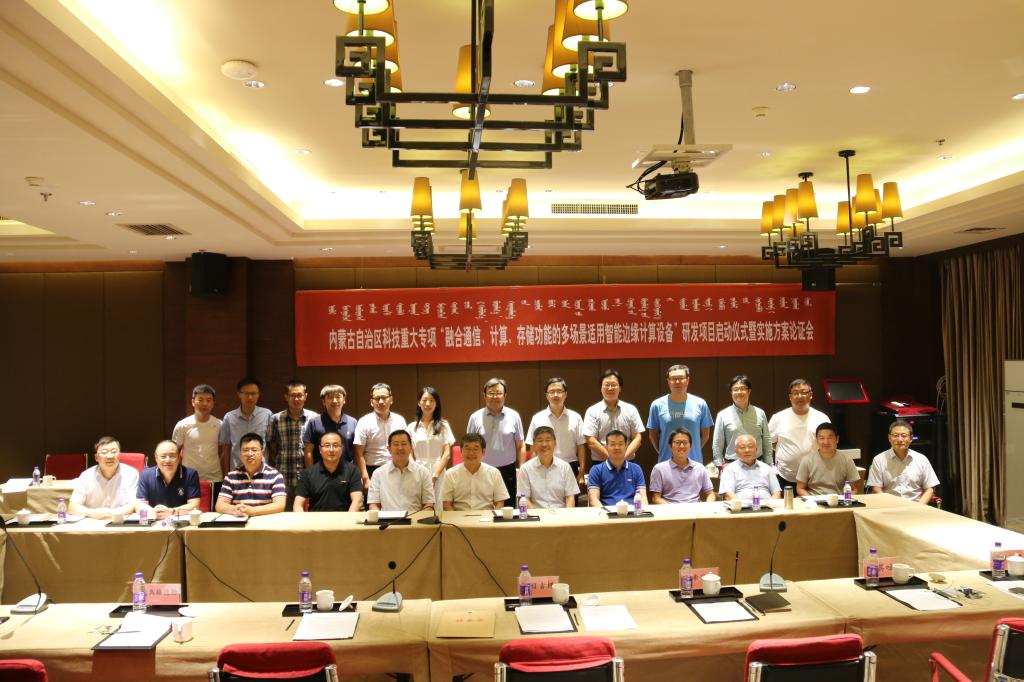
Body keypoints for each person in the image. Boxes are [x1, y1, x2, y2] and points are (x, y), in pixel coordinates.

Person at [465, 378, 524, 500]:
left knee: (508, 506)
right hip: (482, 469)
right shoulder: (475, 417)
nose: (495, 396)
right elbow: (468, 447)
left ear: (505, 395)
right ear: (484, 395)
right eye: (491, 393)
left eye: (498, 393)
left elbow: (520, 445)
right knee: (483, 505)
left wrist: (522, 469)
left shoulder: (514, 416)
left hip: (508, 470)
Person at [769, 378, 830, 490]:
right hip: (785, 476)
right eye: (795, 393)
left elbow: (828, 445)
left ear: (810, 395)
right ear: (790, 397)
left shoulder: (822, 418)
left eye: (803, 392)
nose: (799, 396)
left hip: (814, 476)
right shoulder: (778, 418)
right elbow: (770, 442)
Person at [267, 380, 318, 510]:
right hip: (284, 475)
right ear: (286, 397)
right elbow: (271, 445)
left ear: (305, 396)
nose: (296, 399)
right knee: (285, 512)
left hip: (308, 475)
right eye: (292, 395)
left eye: (299, 395)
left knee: (308, 513)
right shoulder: (276, 418)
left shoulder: (314, 418)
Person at [526, 377, 587, 484]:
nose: (555, 395)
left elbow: (581, 447)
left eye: (559, 391)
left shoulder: (576, 417)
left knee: (571, 495)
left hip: (570, 467)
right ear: (546, 395)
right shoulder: (537, 418)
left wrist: (581, 472)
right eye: (552, 392)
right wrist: (532, 472)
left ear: (565, 394)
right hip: (544, 467)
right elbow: (533, 449)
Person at [647, 364, 712, 463]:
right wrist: (663, 452)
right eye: (673, 378)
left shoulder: (700, 404)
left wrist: (692, 450)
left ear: (687, 380)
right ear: (668, 381)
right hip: (666, 462)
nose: (677, 382)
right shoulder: (657, 405)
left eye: (681, 378)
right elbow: (652, 435)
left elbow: (706, 435)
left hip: (694, 462)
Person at [867, 420, 939, 504]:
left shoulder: (921, 459)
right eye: (895, 436)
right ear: (889, 438)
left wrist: (919, 507)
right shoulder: (879, 459)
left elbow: (929, 489)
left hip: (916, 506)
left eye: (904, 436)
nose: (900, 439)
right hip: (889, 506)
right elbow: (876, 489)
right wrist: (889, 506)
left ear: (911, 438)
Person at [68, 436, 140, 519]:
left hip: (120, 521)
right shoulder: (86, 476)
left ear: (120, 455)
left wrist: (113, 514)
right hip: (93, 520)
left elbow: (134, 504)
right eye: (104, 452)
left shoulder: (131, 474)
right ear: (96, 457)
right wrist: (92, 513)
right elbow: (72, 507)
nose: (110, 456)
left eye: (114, 452)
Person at [582, 369, 645, 463]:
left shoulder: (631, 409)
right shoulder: (592, 411)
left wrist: (622, 459)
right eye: (606, 385)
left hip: (627, 462)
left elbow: (637, 438)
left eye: (614, 385)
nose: (610, 388)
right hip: (601, 463)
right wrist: (612, 459)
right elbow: (591, 441)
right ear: (601, 388)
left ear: (620, 388)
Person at [216, 433, 286, 516]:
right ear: (240, 453)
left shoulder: (275, 476)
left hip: (264, 522)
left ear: (262, 452)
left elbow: (280, 505)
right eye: (245, 450)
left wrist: (253, 511)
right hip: (239, 521)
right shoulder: (231, 477)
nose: (250, 454)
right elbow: (219, 505)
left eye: (254, 450)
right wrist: (234, 510)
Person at [711, 375, 772, 467]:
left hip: (757, 463)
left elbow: (766, 440)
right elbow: (717, 443)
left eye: (742, 388)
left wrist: (768, 463)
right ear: (731, 392)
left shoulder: (760, 413)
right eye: (735, 389)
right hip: (732, 464)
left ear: (749, 391)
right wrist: (719, 465)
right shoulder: (722, 415)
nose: (739, 392)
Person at [353, 383, 406, 489]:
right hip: (372, 469)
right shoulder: (364, 421)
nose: (381, 401)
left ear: (391, 399)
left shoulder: (399, 420)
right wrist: (365, 478)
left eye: (384, 397)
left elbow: (406, 447)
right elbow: (359, 453)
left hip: (397, 468)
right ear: (371, 402)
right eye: (377, 398)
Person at [293, 432, 363, 512]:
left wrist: (348, 518)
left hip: (344, 518)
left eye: (335, 445)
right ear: (320, 449)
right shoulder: (308, 473)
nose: (331, 449)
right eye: (327, 445)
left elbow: (357, 501)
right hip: (316, 518)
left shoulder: (352, 470)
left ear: (342, 448)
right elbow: (298, 504)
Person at [367, 430, 434, 513]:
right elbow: (374, 505)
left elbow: (428, 505)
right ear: (389, 449)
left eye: (404, 444)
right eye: (396, 444)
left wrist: (419, 519)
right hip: (387, 520)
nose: (400, 448)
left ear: (411, 447)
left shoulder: (423, 473)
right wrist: (379, 518)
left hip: (415, 519)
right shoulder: (378, 474)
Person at [172, 384, 223, 491]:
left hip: (214, 478)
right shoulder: (183, 425)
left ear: (213, 403)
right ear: (193, 402)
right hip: (189, 478)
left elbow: (224, 449)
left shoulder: (219, 424)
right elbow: (174, 452)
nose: (204, 403)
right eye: (200, 400)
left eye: (208, 400)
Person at [408, 387, 455, 500]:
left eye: (431, 400)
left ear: (436, 403)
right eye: (424, 400)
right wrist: (415, 470)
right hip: (418, 471)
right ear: (419, 403)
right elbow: (409, 453)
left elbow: (447, 453)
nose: (427, 404)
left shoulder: (443, 425)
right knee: (419, 502)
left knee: (438, 503)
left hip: (438, 470)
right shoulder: (411, 427)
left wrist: (436, 474)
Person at [441, 433, 510, 511]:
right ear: (461, 451)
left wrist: (493, 517)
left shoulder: (494, 473)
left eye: (475, 449)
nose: (471, 453)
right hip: (459, 516)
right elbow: (446, 504)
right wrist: (456, 518)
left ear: (483, 452)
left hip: (487, 516)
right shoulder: (450, 474)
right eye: (467, 449)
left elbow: (500, 503)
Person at [218, 377, 272, 475]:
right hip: (236, 472)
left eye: (253, 393)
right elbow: (226, 448)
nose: (250, 397)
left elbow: (272, 445)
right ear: (239, 394)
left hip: (262, 472)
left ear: (258, 394)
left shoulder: (267, 415)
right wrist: (226, 474)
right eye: (246, 394)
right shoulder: (229, 417)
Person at [136, 440, 201, 519]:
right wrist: (152, 512)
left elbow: (194, 505)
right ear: (156, 458)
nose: (167, 460)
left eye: (172, 456)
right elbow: (140, 504)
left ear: (179, 458)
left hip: (179, 520)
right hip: (154, 519)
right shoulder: (146, 475)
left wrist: (172, 511)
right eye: (163, 456)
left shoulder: (190, 474)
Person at [518, 426, 580, 509]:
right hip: (536, 515)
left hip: (560, 515)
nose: (544, 444)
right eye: (540, 440)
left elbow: (570, 498)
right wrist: (537, 515)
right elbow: (524, 499)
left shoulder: (565, 467)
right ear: (534, 445)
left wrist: (566, 515)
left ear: (555, 443)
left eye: (548, 440)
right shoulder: (525, 469)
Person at [649, 429, 716, 504]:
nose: (681, 446)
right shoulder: (659, 469)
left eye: (685, 442)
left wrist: (707, 506)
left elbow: (711, 494)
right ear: (670, 446)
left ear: (690, 446)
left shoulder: (700, 468)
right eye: (677, 442)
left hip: (696, 509)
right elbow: (656, 498)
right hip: (670, 509)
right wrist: (672, 509)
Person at [796, 423, 862, 497]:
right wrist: (811, 500)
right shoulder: (807, 460)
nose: (826, 442)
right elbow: (800, 488)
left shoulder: (847, 460)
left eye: (830, 438)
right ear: (817, 440)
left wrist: (845, 499)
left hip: (838, 499)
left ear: (837, 439)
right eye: (822, 438)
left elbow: (854, 489)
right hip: (814, 499)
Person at [587, 430, 648, 507]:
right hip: (607, 511)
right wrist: (604, 512)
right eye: (612, 444)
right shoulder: (596, 470)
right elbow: (593, 500)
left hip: (632, 511)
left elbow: (643, 497)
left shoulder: (636, 469)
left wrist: (643, 511)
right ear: (606, 447)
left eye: (620, 444)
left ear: (626, 446)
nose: (617, 447)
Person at [303, 384, 357, 467]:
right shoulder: (314, 422)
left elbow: (357, 451)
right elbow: (308, 451)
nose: (334, 401)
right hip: (320, 472)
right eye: (330, 397)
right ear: (323, 401)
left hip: (347, 471)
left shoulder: (353, 422)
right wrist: (311, 473)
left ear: (344, 400)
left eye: (338, 397)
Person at [719, 434, 782, 501]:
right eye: (742, 447)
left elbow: (777, 492)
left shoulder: (767, 468)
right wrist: (743, 505)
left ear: (756, 449)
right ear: (736, 451)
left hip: (767, 505)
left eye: (750, 446)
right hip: (740, 506)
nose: (747, 450)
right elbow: (728, 494)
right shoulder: (729, 469)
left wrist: (771, 505)